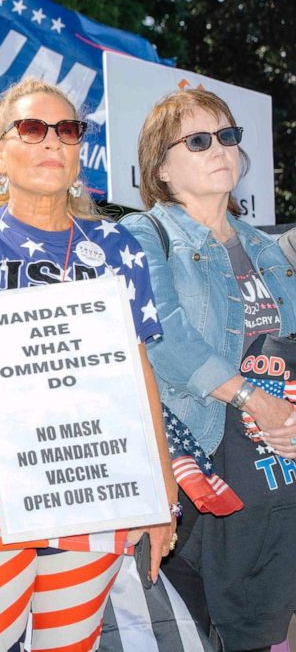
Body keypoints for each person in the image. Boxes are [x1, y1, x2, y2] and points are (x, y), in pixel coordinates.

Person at [0, 78, 178, 652]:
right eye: (32, 129)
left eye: (67, 130)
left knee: (68, 645)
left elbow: (138, 373)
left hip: (97, 482)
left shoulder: (118, 246)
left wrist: (161, 493)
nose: (52, 142)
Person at [122, 88, 296, 651]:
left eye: (228, 136)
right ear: (162, 168)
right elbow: (162, 335)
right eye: (198, 140)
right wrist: (255, 399)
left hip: (274, 470)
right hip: (194, 467)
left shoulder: (268, 246)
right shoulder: (144, 235)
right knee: (191, 632)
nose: (219, 148)